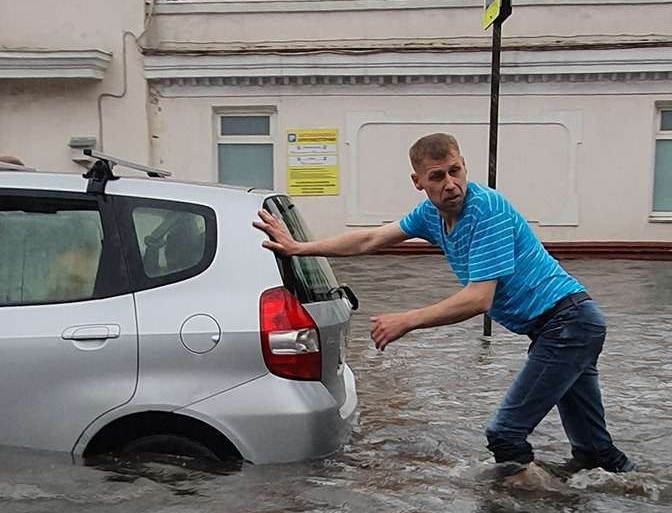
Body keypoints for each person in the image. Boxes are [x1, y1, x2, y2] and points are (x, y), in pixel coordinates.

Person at [253, 132, 635, 474]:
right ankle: (620, 499)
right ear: (418, 182)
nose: (451, 184)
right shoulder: (430, 215)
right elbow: (370, 240)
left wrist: (408, 320)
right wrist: (300, 248)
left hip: (567, 324)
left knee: (505, 435)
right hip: (563, 327)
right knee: (594, 453)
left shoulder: (488, 209)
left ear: (464, 166)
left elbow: (478, 298)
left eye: (455, 171)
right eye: (438, 176)